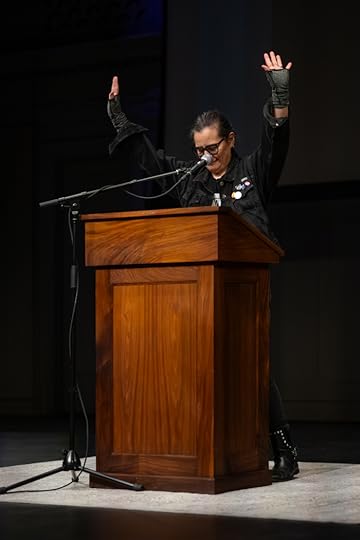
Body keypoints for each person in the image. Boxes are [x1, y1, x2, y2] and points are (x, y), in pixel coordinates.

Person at [106, 50, 299, 482]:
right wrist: (119, 118)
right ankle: (194, 446)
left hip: (245, 286)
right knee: (197, 365)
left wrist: (280, 92)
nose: (206, 155)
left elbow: (277, 141)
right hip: (193, 292)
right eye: (199, 149)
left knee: (253, 366)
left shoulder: (253, 171)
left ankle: (283, 447)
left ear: (230, 140)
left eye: (212, 147)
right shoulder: (188, 177)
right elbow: (150, 164)